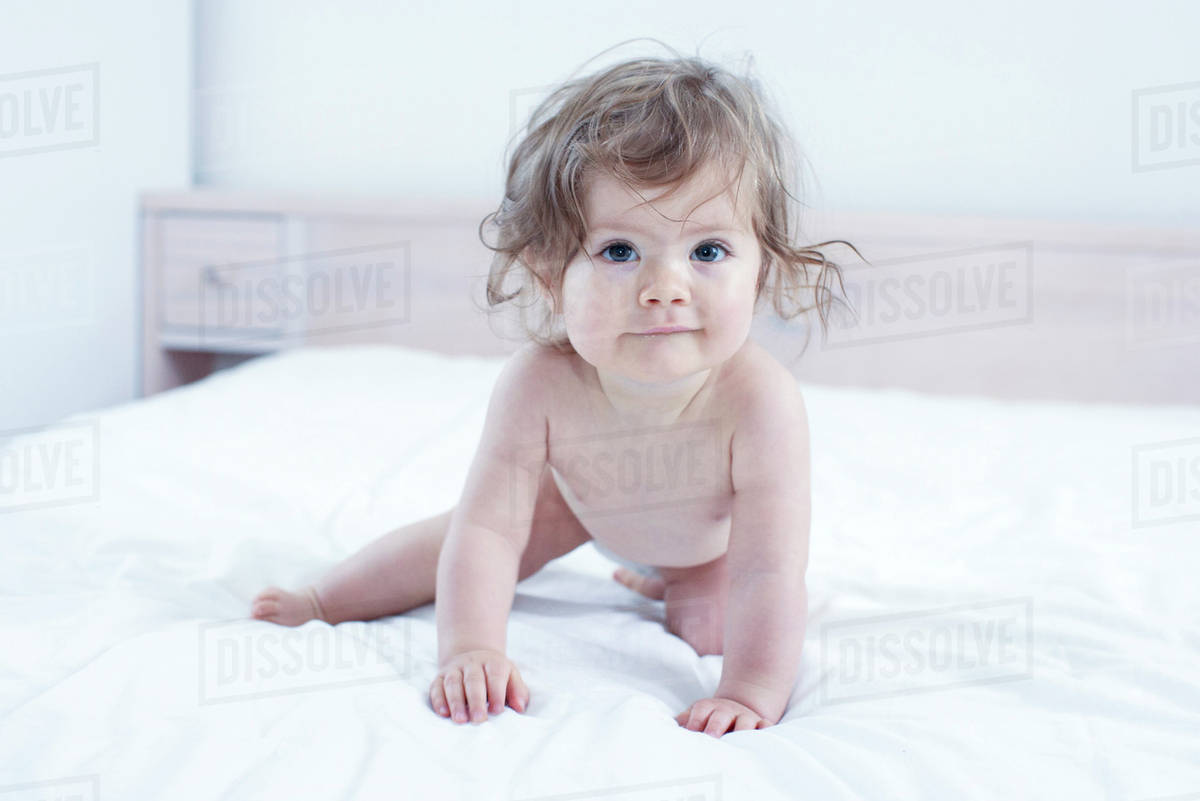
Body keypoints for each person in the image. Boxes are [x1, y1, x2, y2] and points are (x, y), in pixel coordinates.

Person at [251, 44, 861, 738]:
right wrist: (471, 647)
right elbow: (484, 529)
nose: (665, 285)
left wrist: (751, 690)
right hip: (584, 505)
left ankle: (670, 582)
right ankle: (323, 598)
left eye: (708, 251)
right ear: (550, 277)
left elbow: (768, 569)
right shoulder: (541, 383)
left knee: (708, 628)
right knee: (455, 541)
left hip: (706, 543)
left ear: (760, 270)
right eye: (620, 251)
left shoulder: (761, 403)